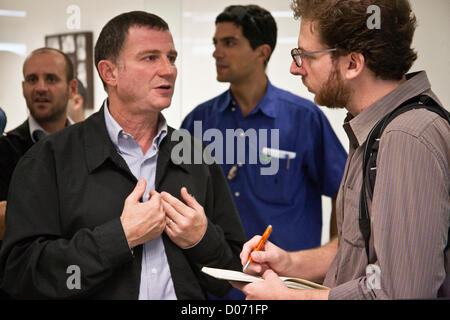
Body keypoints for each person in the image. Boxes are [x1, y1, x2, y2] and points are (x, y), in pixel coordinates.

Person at [0, 11, 245, 299]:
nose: (168, 70)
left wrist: (202, 241)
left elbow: (231, 277)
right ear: (109, 72)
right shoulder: (48, 159)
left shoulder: (195, 155)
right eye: (150, 58)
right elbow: (22, 278)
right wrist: (120, 237)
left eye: (172, 58)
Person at [233, 0, 450, 300]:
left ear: (352, 64)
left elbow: (402, 291)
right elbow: (360, 249)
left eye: (305, 55)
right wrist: (289, 263)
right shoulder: (374, 130)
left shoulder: (405, 137)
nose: (295, 68)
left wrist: (291, 298)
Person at [181, 5, 347, 299]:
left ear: (262, 52)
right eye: (215, 44)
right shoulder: (198, 123)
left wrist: (335, 255)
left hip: (285, 289)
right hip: (216, 291)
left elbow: (343, 189)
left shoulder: (304, 119)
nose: (217, 53)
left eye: (229, 43)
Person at [0, 47, 77, 256]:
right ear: (23, 88)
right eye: (32, 79)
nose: (40, 88)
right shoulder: (5, 150)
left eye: (51, 79)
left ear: (72, 88)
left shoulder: (92, 147)